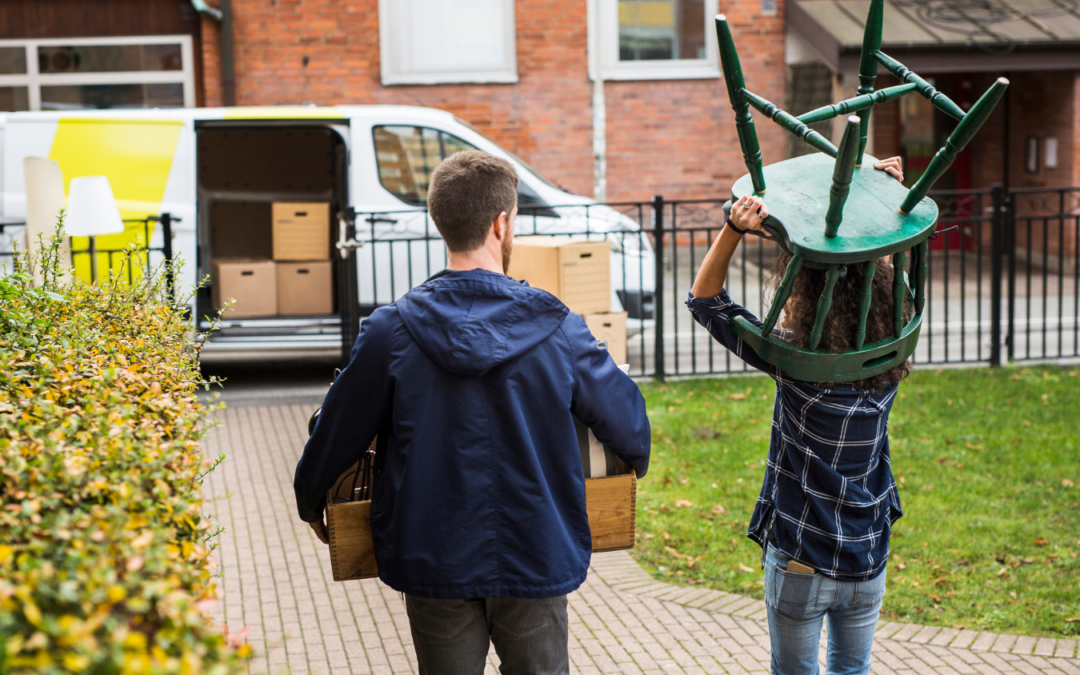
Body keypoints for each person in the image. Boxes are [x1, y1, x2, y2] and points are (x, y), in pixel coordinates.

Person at [294, 150, 651, 675]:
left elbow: (335, 433)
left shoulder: (390, 332)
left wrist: (310, 500)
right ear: (501, 223)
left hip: (433, 553)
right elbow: (632, 432)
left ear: (442, 223)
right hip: (537, 549)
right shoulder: (560, 329)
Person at [687, 158, 908, 675]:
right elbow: (885, 268)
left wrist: (732, 229)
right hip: (866, 557)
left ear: (806, 295)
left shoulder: (796, 363)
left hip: (802, 561)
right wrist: (874, 193)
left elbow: (706, 302)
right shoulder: (892, 354)